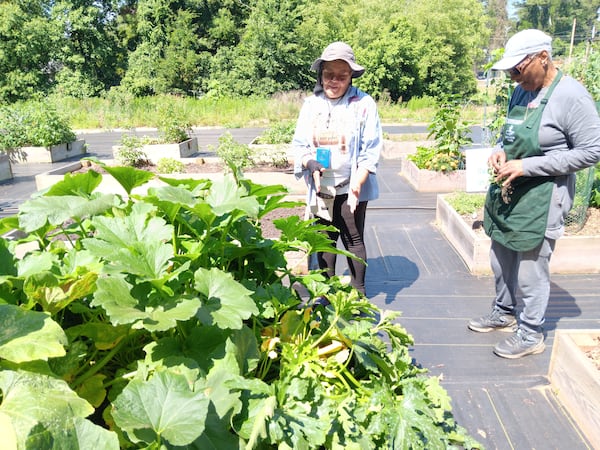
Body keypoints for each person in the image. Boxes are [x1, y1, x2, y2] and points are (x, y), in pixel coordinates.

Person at [467, 29, 600, 358]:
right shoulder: (521, 91)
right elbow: (509, 135)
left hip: (543, 196)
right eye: (509, 71)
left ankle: (530, 333)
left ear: (543, 57)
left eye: (518, 69)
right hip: (510, 191)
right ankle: (504, 312)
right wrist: (500, 151)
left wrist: (528, 167)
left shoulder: (570, 96)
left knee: (530, 267)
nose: (513, 77)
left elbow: (591, 151)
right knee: (501, 257)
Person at [292, 41, 382, 296]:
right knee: (324, 240)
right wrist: (310, 163)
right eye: (329, 75)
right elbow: (300, 145)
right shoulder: (311, 105)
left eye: (341, 76)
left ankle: (358, 291)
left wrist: (357, 183)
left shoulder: (363, 104)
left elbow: (370, 149)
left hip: (352, 186)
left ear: (351, 77)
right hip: (322, 187)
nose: (334, 81)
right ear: (321, 75)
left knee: (353, 239)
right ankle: (324, 292)